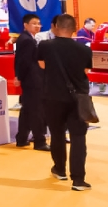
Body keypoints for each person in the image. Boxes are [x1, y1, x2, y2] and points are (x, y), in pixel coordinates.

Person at [37, 13, 94, 191]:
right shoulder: (85, 50)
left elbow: (42, 66)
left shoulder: (45, 45)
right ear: (74, 29)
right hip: (78, 98)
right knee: (78, 137)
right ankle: (78, 180)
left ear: (56, 27)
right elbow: (85, 71)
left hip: (53, 96)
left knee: (57, 134)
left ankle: (59, 169)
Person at [14, 13, 49, 150]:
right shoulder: (27, 40)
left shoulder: (28, 38)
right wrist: (19, 77)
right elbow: (24, 62)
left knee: (27, 110)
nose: (37, 26)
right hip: (32, 80)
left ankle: (21, 138)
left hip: (30, 79)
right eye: (34, 23)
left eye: (39, 23)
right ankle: (39, 141)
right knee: (36, 110)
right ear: (26, 25)